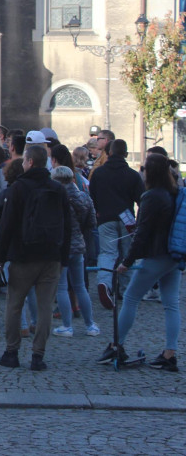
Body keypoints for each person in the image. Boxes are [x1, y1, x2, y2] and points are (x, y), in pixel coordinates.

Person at [97, 154, 180, 371]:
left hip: (156, 255)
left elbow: (142, 234)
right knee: (171, 303)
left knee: (132, 297)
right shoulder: (172, 193)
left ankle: (117, 344)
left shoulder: (152, 196)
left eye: (143, 168)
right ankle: (169, 353)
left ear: (149, 172)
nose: (141, 171)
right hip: (173, 255)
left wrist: (127, 261)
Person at [0, 145, 72, 371]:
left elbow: (6, 225)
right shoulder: (58, 188)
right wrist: (63, 258)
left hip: (23, 254)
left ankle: (12, 351)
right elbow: (67, 226)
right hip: (51, 255)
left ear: (28, 162)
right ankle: (38, 355)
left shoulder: (18, 188)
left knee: (14, 304)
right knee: (45, 305)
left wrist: (0, 257)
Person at [88, 139, 145, 309]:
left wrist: (99, 210)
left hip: (105, 217)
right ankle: (125, 289)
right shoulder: (133, 175)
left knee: (107, 252)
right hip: (126, 218)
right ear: (126, 154)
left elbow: (92, 197)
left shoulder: (98, 173)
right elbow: (141, 199)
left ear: (109, 153)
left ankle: (105, 283)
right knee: (127, 254)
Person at [50, 166, 100, 338]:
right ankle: (90, 324)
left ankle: (67, 325)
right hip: (78, 245)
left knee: (62, 287)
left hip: (61, 246)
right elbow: (92, 223)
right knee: (80, 287)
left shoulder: (54, 198)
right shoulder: (83, 198)